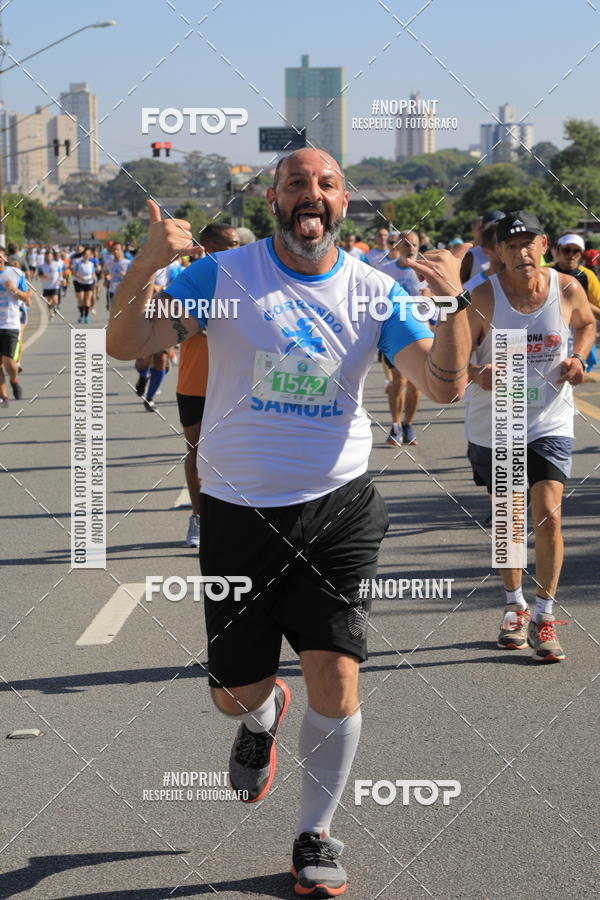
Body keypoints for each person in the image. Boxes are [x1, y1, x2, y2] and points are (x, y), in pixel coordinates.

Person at [107, 148, 470, 898]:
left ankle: (316, 834)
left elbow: (439, 386)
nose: (313, 194)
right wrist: (147, 260)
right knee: (233, 693)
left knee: (337, 676)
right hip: (239, 511)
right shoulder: (223, 276)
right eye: (297, 183)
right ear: (274, 197)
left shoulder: (375, 291)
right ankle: (263, 713)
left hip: (338, 507)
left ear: (344, 204)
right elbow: (125, 343)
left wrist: (457, 307)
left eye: (327, 184)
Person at [465, 211, 595, 663]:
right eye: (510, 244)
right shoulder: (481, 298)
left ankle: (544, 614)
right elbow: (449, 360)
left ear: (543, 245)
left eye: (529, 242)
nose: (521, 251)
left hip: (549, 420)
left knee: (549, 515)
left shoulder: (567, 288)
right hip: (496, 423)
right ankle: (514, 604)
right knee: (509, 520)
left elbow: (585, 324)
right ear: (496, 253)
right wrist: (476, 372)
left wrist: (580, 359)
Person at [178, 224, 240, 548]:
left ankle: (234, 518)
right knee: (197, 451)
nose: (238, 249)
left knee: (239, 450)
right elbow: (176, 326)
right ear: (210, 246)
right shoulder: (190, 280)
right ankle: (199, 518)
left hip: (236, 380)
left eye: (240, 243)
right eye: (231, 244)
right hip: (196, 380)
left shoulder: (249, 283)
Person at [380, 230, 430, 446]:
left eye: (414, 244)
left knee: (415, 385)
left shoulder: (425, 271)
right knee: (398, 381)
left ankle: (408, 425)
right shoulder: (385, 271)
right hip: (393, 333)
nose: (411, 248)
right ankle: (395, 425)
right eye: (406, 244)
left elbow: (434, 304)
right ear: (397, 246)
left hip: (420, 334)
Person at [548, 233, 600, 372]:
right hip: (549, 331)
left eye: (576, 251)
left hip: (576, 333)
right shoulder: (546, 271)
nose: (571, 255)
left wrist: (579, 303)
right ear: (557, 250)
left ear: (581, 254)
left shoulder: (588, 276)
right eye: (566, 250)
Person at [0, 247, 31, 405]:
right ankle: (4, 396)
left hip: (11, 323)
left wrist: (15, 290)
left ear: (5, 257)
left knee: (8, 361)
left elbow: (28, 299)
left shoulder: (16, 274)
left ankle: (13, 380)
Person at [104, 242, 132, 310]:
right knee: (115, 311)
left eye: (117, 249)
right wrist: (106, 279)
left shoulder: (128, 263)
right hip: (113, 290)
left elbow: (134, 277)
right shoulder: (109, 263)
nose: (115, 251)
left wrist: (125, 275)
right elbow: (107, 273)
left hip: (125, 291)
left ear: (122, 250)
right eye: (113, 250)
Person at [73, 248, 96, 323]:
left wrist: (94, 279)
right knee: (81, 300)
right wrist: (80, 277)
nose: (87, 256)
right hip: (80, 283)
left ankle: (86, 317)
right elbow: (75, 273)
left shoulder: (91, 264)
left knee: (87, 300)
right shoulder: (79, 264)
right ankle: (81, 314)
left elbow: (93, 274)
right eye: (85, 254)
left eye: (88, 255)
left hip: (89, 283)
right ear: (83, 255)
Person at [40, 250, 65, 318]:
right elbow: (40, 275)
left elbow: (60, 272)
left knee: (55, 299)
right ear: (45, 257)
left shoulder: (56, 264)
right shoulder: (42, 266)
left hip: (55, 285)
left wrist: (59, 279)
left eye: (50, 256)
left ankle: (54, 308)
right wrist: (43, 276)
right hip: (46, 286)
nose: (48, 257)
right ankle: (50, 313)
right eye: (47, 256)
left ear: (52, 257)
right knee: (48, 302)